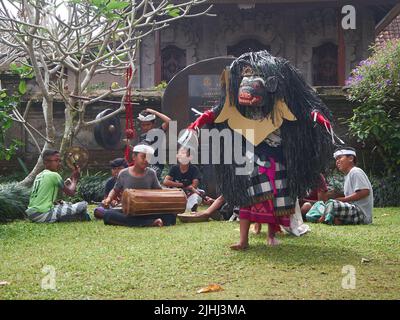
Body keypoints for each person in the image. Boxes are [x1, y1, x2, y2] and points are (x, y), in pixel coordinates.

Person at [100, 144, 176, 227]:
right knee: (108, 215)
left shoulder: (151, 173)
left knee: (171, 216)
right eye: (143, 157)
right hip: (128, 211)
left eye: (148, 158)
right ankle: (149, 223)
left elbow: (158, 191)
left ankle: (140, 222)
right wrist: (108, 199)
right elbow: (115, 190)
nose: (146, 160)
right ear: (134, 157)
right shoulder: (123, 173)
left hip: (146, 211)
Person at [25, 149, 89, 223]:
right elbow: (71, 193)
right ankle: (75, 217)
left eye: (59, 161)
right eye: (56, 161)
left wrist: (72, 177)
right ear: (46, 162)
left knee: (64, 204)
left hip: (32, 214)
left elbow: (64, 186)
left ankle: (65, 217)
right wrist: (75, 179)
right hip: (42, 214)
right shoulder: (54, 175)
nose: (59, 163)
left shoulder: (39, 175)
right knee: (83, 205)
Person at [315, 147, 373, 225]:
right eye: (336, 159)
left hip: (360, 213)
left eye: (340, 158)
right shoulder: (348, 175)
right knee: (320, 205)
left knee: (332, 203)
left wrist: (342, 200)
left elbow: (364, 192)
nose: (337, 162)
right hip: (351, 211)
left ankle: (324, 218)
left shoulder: (355, 171)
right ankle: (334, 219)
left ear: (351, 158)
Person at [163, 147, 205, 212]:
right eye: (179, 153)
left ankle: (190, 207)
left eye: (183, 153)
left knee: (197, 196)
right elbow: (165, 182)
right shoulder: (174, 168)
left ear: (190, 157)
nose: (180, 155)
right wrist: (181, 185)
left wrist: (187, 189)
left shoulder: (194, 169)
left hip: (189, 194)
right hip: (177, 194)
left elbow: (194, 185)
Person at [135, 108, 171, 180]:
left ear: (153, 124)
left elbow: (169, 121)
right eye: (143, 125)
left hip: (157, 166)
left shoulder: (158, 132)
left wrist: (154, 112)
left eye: (148, 124)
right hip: (145, 165)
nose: (145, 127)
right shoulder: (142, 137)